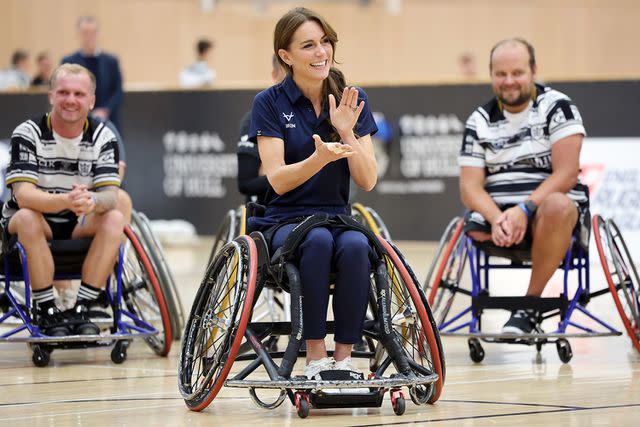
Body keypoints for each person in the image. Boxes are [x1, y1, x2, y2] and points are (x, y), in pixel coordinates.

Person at [248, 7, 378, 379]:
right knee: (317, 241)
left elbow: (368, 180)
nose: (321, 52)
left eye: (325, 42)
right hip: (285, 218)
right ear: (286, 56)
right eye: (308, 45)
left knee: (356, 246)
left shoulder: (352, 98)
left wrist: (348, 134)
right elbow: (277, 180)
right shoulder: (269, 103)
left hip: (336, 213)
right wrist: (319, 159)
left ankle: (343, 360)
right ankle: (315, 356)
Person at [458, 38, 589, 334]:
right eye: (500, 74)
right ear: (491, 74)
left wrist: (524, 210)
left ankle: (529, 305)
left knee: (557, 204)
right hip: (499, 223)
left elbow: (567, 174)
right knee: (472, 222)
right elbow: (470, 187)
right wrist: (497, 218)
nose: (509, 81)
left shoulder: (558, 107)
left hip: (549, 217)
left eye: (517, 73)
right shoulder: (479, 120)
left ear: (533, 71)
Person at [1, 63, 126, 336]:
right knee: (27, 218)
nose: (71, 100)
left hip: (77, 220)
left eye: (79, 94)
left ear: (91, 101)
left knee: (115, 216)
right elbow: (23, 195)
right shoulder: (28, 132)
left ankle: (82, 307)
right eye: (63, 92)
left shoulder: (104, 136)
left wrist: (91, 202)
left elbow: (110, 196)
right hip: (33, 222)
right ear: (51, 96)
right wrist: (67, 201)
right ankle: (46, 310)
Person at [236, 54, 286, 204]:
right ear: (274, 75)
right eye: (289, 76)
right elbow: (246, 183)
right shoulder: (255, 118)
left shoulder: (322, 113)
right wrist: (303, 173)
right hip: (270, 210)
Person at [62, 16, 124, 132]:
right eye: (85, 32)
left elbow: (118, 91)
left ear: (98, 34)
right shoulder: (68, 62)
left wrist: (105, 110)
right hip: (77, 124)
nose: (89, 36)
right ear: (78, 34)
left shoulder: (111, 61)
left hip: (109, 123)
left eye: (93, 32)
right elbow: (64, 92)